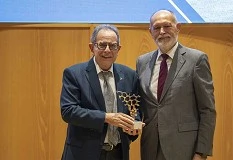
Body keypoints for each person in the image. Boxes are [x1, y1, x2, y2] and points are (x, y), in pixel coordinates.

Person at [136, 10, 216, 160]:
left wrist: (201, 152)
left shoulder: (196, 60)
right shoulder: (142, 62)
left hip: (185, 149)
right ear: (150, 31)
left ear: (178, 27)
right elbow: (140, 104)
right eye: (157, 27)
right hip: (151, 147)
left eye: (167, 26)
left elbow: (207, 110)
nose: (162, 32)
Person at [60, 24, 142, 160]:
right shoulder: (74, 74)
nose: (108, 50)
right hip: (83, 154)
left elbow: (134, 108)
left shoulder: (129, 75)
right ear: (92, 47)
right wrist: (106, 117)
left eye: (113, 46)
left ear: (118, 49)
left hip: (118, 153)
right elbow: (68, 111)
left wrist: (134, 125)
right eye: (102, 45)